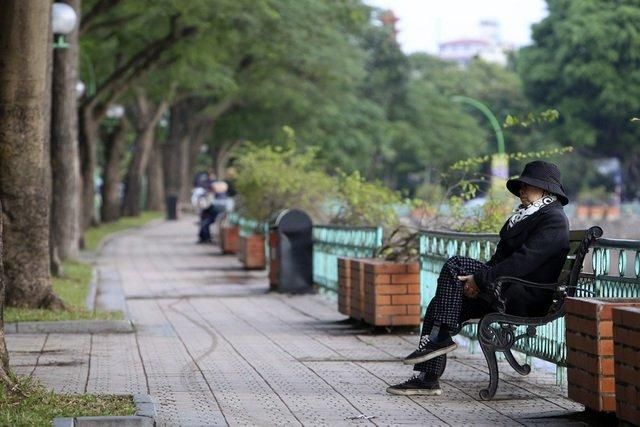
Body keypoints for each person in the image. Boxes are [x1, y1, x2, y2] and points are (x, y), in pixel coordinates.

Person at [387, 160, 570, 396]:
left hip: (526, 295)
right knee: (438, 304)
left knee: (455, 265)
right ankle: (427, 379)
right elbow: (499, 260)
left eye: (527, 185)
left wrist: (481, 280)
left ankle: (440, 338)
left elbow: (523, 262)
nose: (522, 190)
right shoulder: (527, 216)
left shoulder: (553, 219)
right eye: (521, 185)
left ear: (545, 189)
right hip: (507, 288)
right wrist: (476, 280)